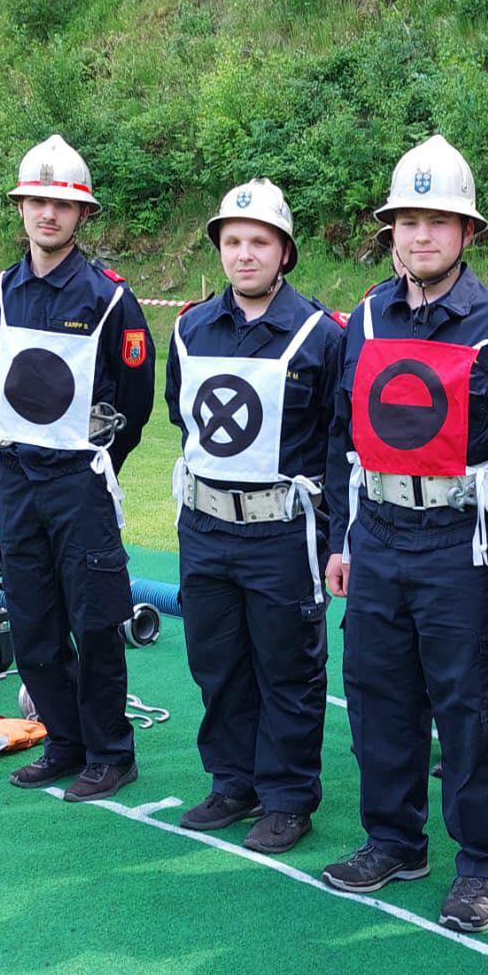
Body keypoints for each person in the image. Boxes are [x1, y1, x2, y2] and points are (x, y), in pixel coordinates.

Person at [318, 135, 488, 935]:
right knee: (378, 696)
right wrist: (341, 539)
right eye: (408, 221)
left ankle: (478, 863)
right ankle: (393, 841)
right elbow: (341, 433)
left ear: (468, 231)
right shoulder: (367, 315)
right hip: (377, 533)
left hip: (461, 544)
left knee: (467, 707)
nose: (421, 235)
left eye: (438, 221)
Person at [165, 179, 345, 855]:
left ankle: (288, 797)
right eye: (233, 241)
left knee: (288, 667)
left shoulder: (322, 336)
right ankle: (232, 782)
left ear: (284, 252)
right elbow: (181, 414)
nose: (245, 254)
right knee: (217, 661)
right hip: (205, 525)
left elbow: (336, 441)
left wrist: (334, 538)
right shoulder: (190, 328)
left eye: (260, 242)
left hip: (282, 532)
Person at [0, 135, 155, 802]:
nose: (48, 214)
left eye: (62, 204)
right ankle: (65, 740)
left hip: (81, 484)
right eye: (36, 202)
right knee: (32, 620)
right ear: (20, 209)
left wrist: (98, 465)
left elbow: (134, 399)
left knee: (95, 621)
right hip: (18, 481)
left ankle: (110, 753)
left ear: (82, 215)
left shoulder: (110, 298)